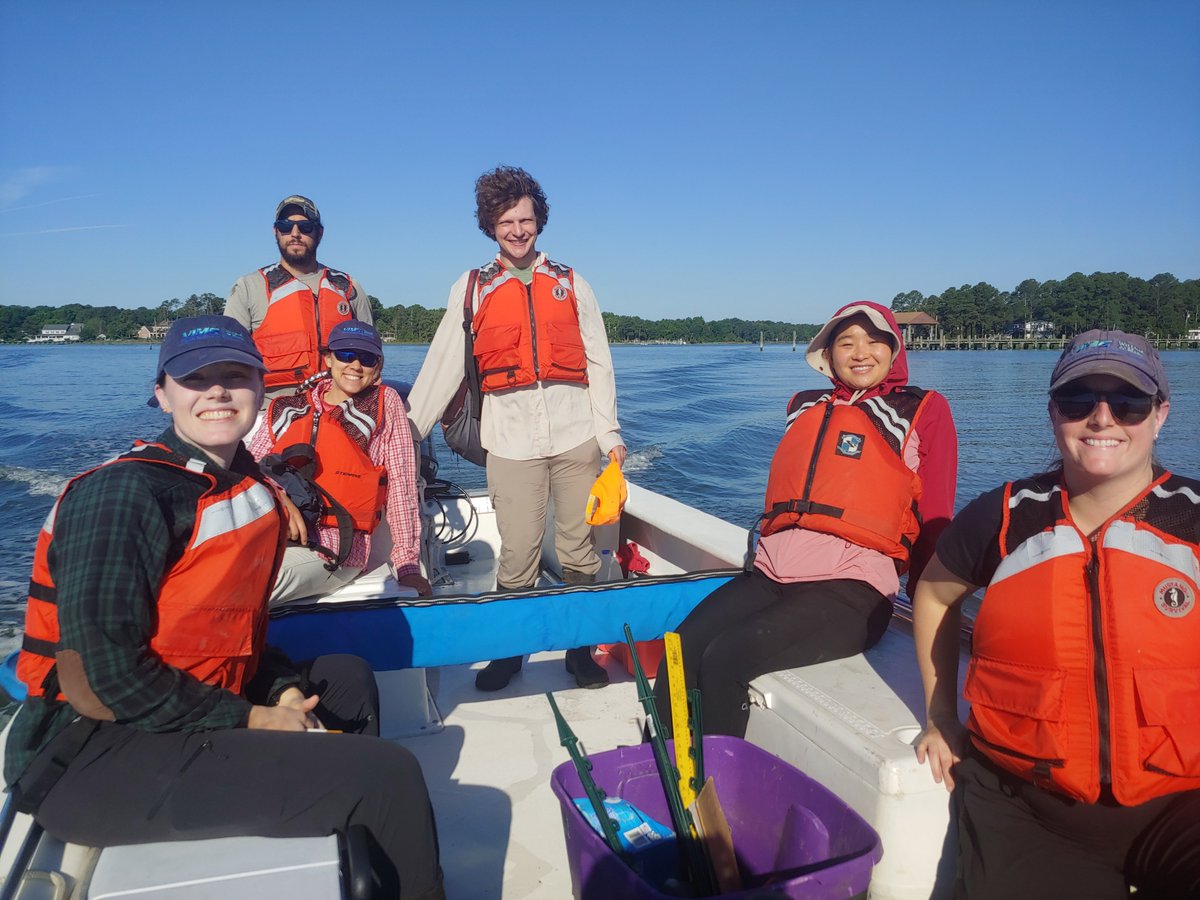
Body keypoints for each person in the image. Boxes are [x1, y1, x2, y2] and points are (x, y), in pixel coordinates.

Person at [5, 316, 444, 899]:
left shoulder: (242, 486)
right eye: (195, 378)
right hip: (92, 754)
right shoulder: (125, 495)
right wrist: (253, 718)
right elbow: (101, 679)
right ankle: (360, 804)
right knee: (390, 777)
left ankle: (351, 859)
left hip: (181, 704)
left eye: (235, 375)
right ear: (162, 393)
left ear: (260, 391)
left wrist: (282, 688)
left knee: (347, 680)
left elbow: (226, 633)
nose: (216, 391)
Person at [914, 330, 1199, 899]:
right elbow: (934, 595)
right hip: (1029, 805)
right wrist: (940, 712)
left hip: (1183, 804)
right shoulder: (1002, 517)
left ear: (1160, 414)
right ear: (1053, 413)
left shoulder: (1193, 521)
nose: (1101, 418)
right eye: (1078, 401)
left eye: (1128, 403)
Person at [653, 301, 958, 737]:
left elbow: (936, 516)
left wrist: (931, 602)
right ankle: (669, 770)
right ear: (828, 354)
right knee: (678, 650)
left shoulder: (923, 409)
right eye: (846, 342)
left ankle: (713, 793)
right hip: (771, 575)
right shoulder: (803, 405)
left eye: (874, 341)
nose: (860, 352)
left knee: (726, 657)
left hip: (852, 590)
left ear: (894, 350)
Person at [407, 166, 626, 691]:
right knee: (518, 552)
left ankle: (579, 653)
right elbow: (443, 364)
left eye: (525, 219)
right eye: (506, 220)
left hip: (576, 438)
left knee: (579, 553)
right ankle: (510, 653)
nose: (517, 230)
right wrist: (406, 433)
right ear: (490, 225)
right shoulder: (473, 288)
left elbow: (599, 362)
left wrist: (610, 436)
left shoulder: (573, 283)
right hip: (509, 442)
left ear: (539, 221)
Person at [249, 319, 431, 604]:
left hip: (335, 548)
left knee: (246, 581)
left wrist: (408, 565)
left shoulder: (386, 404)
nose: (355, 365)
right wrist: (278, 496)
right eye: (346, 355)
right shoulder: (288, 408)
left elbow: (402, 487)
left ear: (378, 366)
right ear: (329, 359)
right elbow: (249, 472)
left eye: (367, 358)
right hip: (272, 534)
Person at [225, 194, 374, 400]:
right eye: (286, 226)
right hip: (270, 413)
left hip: (339, 411)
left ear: (319, 233)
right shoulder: (248, 287)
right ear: (276, 231)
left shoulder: (348, 287)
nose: (295, 234)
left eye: (305, 227)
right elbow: (228, 360)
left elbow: (372, 354)